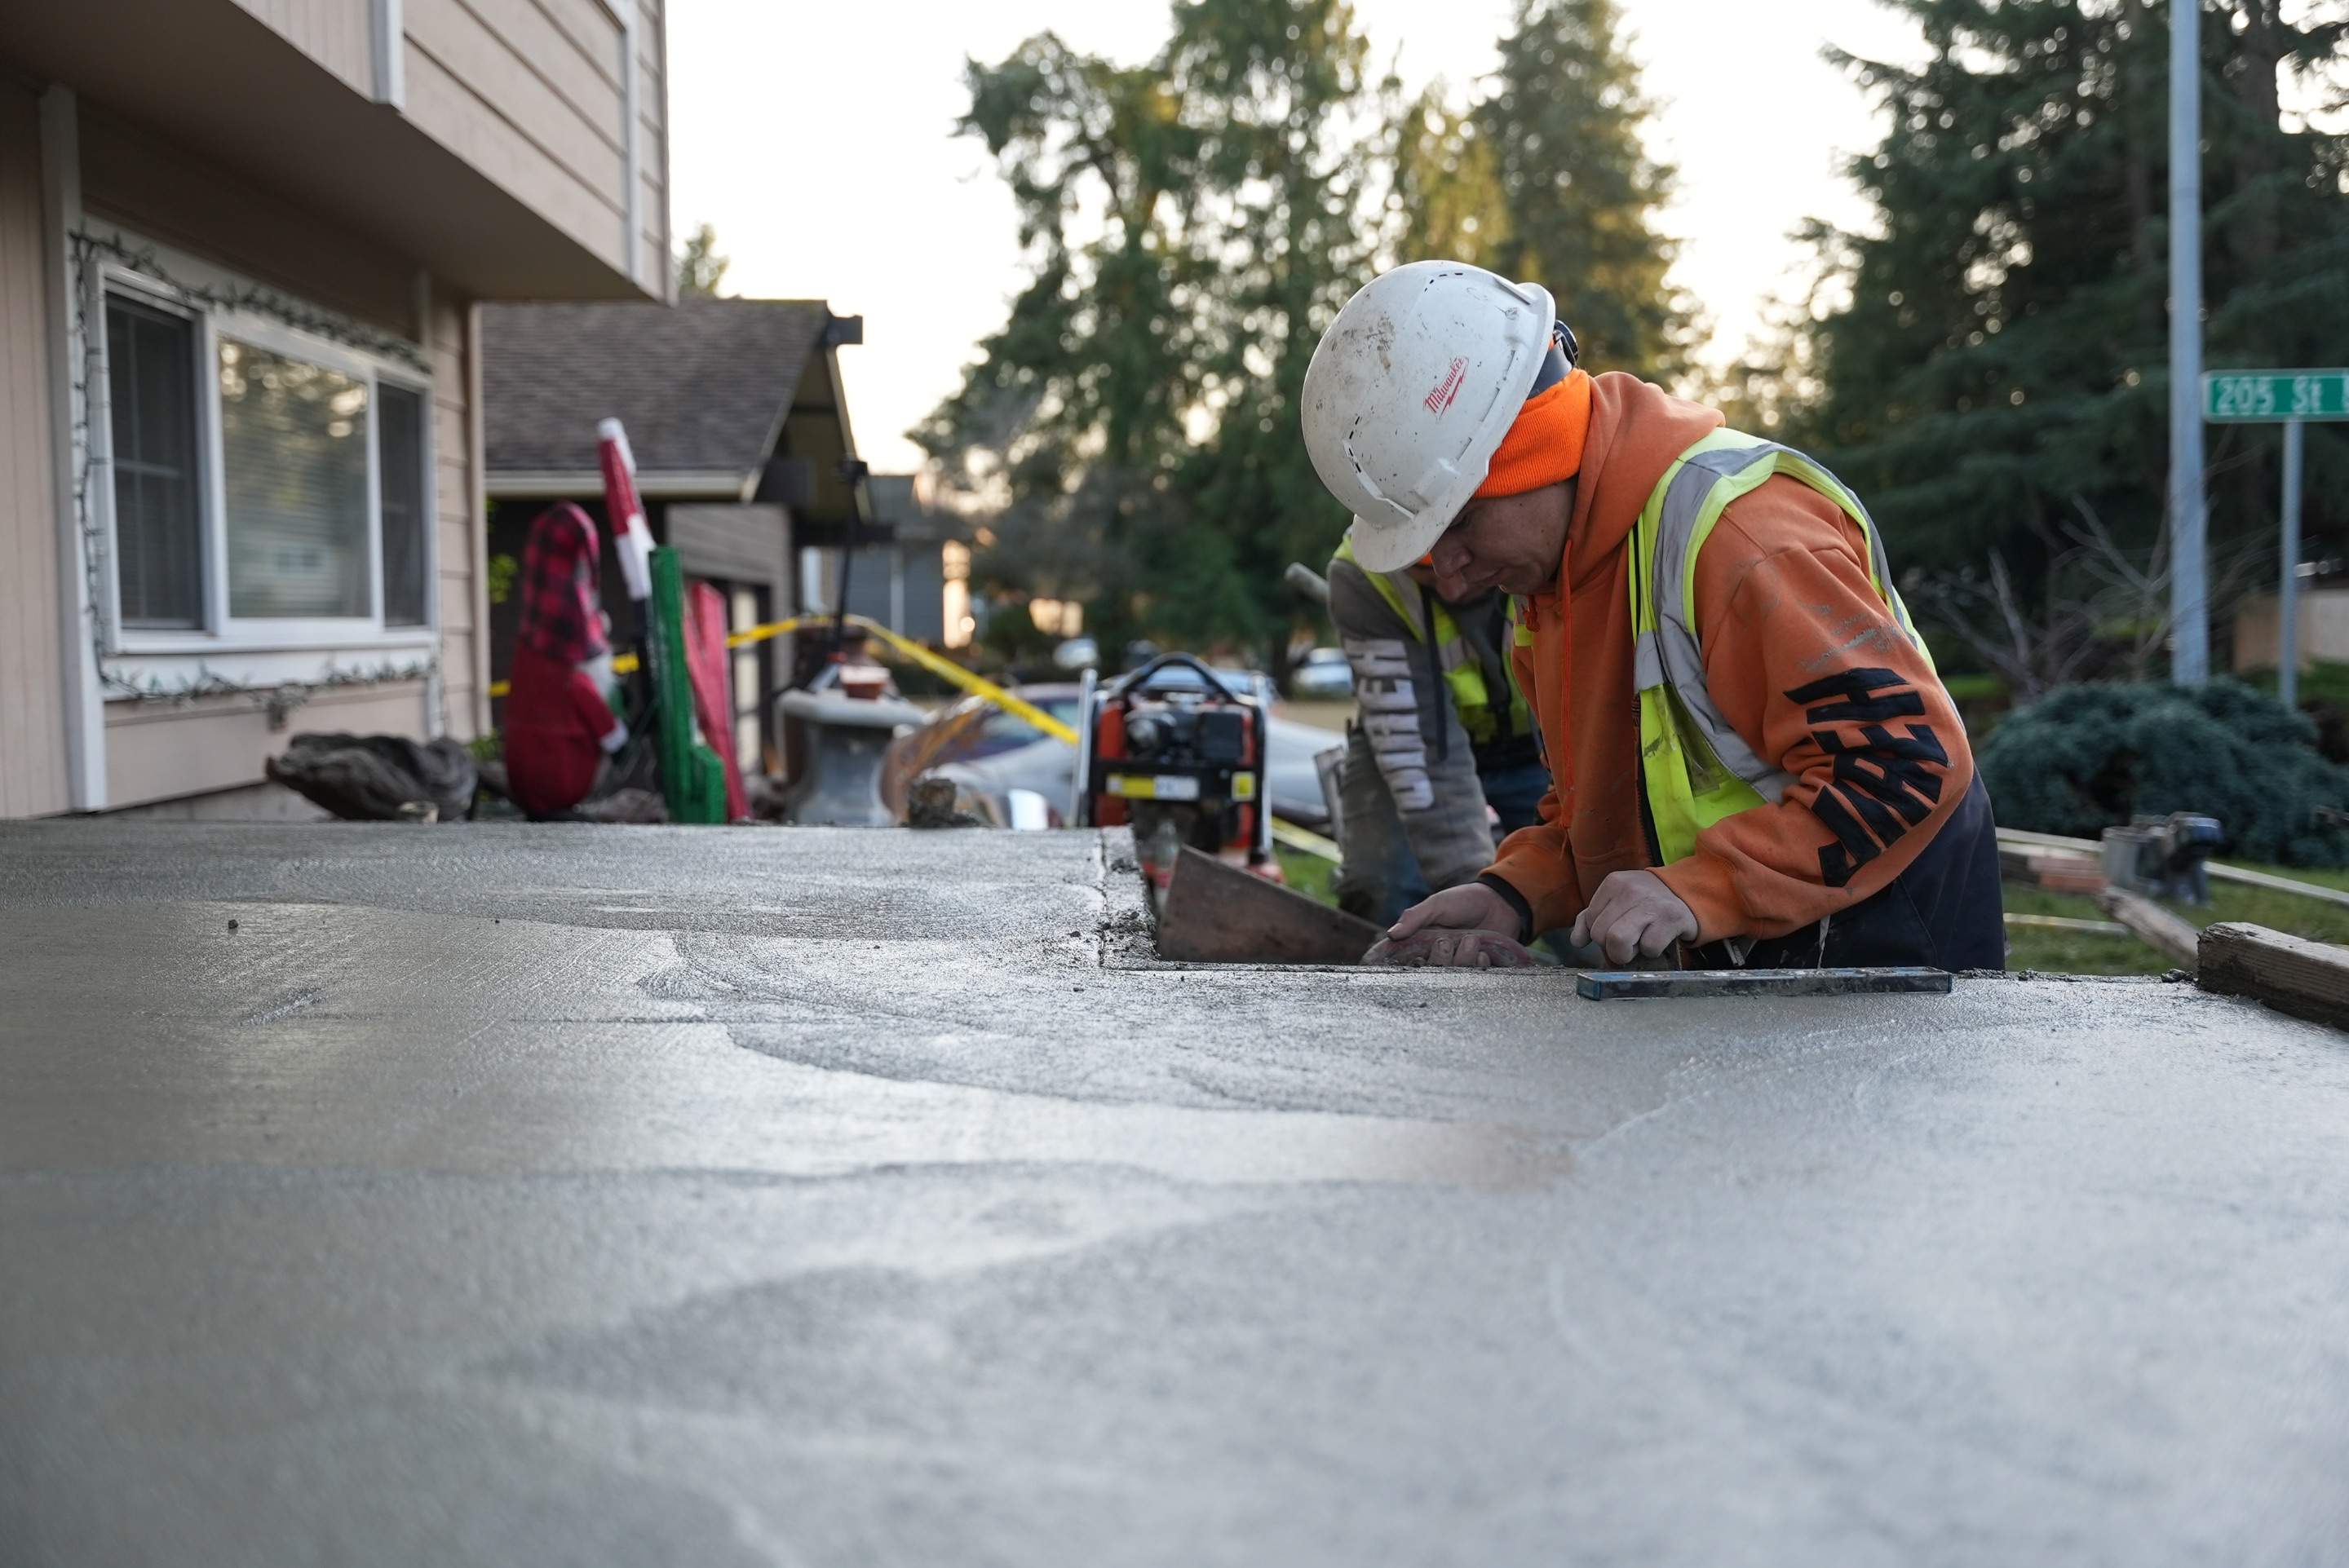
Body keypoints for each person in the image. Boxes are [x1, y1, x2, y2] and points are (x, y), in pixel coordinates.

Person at [1299, 261, 2003, 971]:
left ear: (1531, 457)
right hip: (1759, 949)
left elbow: (1905, 765)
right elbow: (1600, 812)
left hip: (1891, 943)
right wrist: (1516, 892)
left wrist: (1705, 889)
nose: (1449, 572)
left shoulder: (1744, 537)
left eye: (1461, 527)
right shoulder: (1551, 584)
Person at [1326, 536, 1549, 926]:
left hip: (1538, 745)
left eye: (1462, 566)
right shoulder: (1364, 574)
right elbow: (1421, 754)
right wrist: (1474, 895)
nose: (1452, 587)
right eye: (1423, 573)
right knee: (1381, 887)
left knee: (1584, 904)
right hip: (1411, 739)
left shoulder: (1535, 539)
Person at [503, 502, 630, 819]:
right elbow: (581, 692)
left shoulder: (529, 644)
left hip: (522, 776)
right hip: (560, 778)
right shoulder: (569, 654)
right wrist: (616, 739)